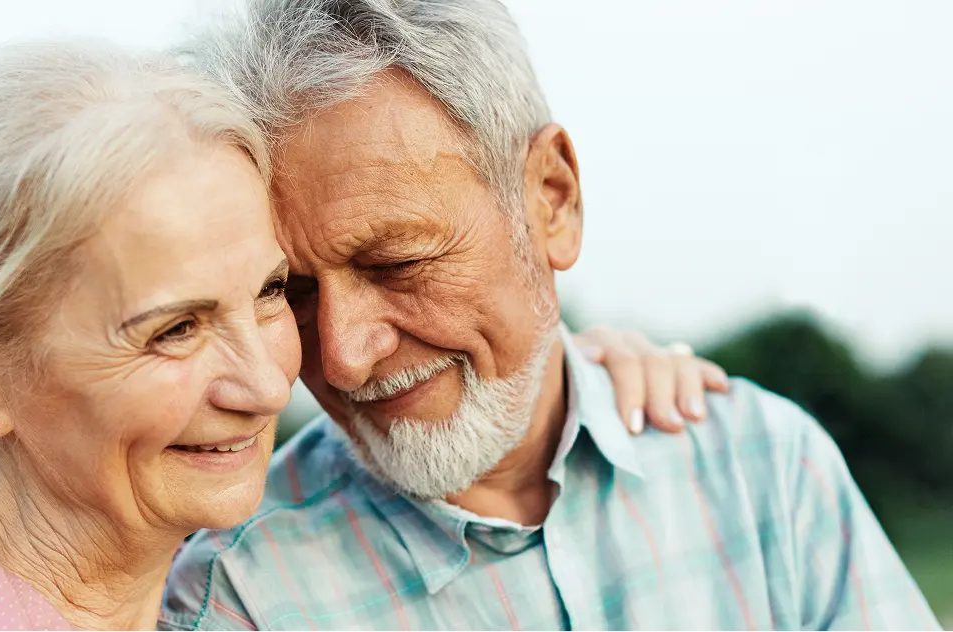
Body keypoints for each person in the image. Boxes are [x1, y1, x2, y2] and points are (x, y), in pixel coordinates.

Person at [0, 39, 720, 632]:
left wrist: (566, 374)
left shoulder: (226, 594)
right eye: (175, 330)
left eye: (273, 292)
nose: (270, 386)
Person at [164, 1, 941, 630]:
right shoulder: (237, 596)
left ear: (552, 200)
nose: (342, 357)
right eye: (291, 292)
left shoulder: (764, 467)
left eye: (396, 264)